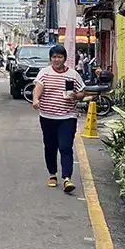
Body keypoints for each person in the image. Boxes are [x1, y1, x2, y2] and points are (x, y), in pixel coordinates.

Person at [32, 43, 84, 193]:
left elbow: (82, 92)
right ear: (50, 59)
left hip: (67, 117)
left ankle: (67, 178)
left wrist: (76, 96)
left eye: (60, 57)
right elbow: (38, 87)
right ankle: (52, 174)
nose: (57, 60)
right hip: (47, 116)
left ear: (65, 58)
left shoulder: (73, 75)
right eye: (54, 57)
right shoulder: (45, 72)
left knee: (65, 147)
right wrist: (36, 99)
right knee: (50, 146)